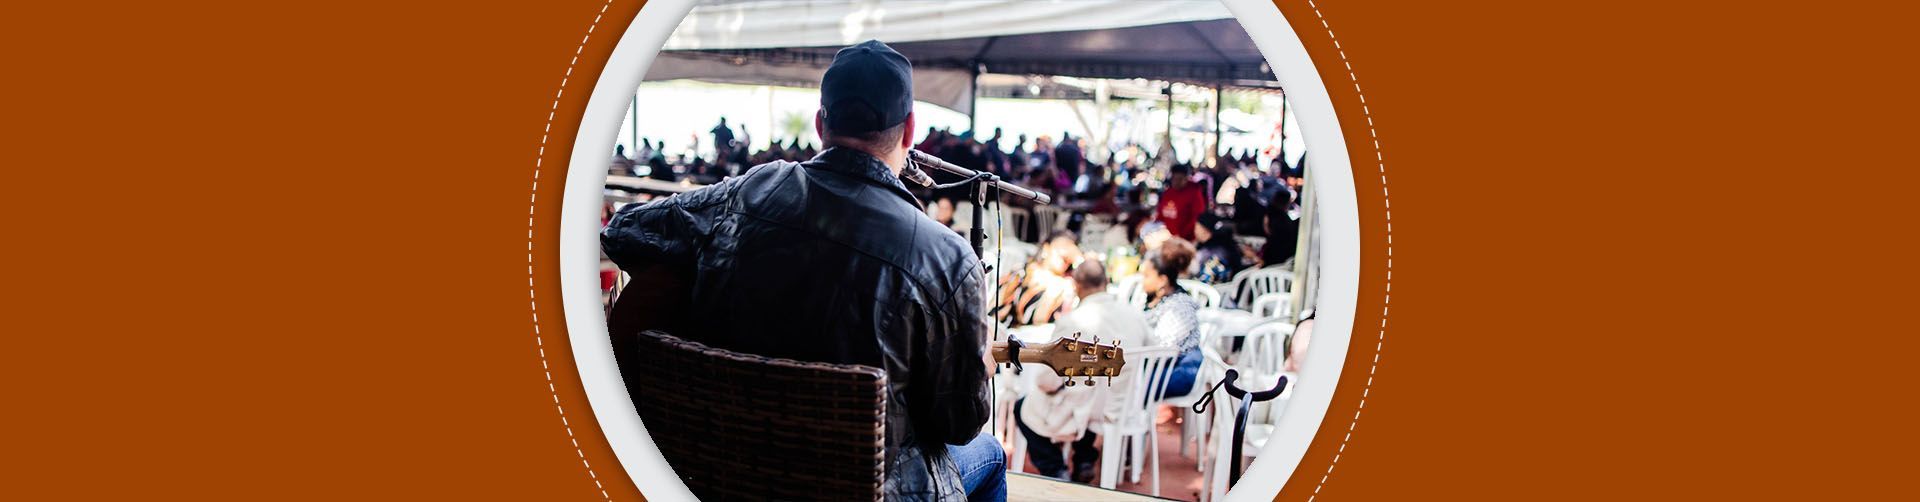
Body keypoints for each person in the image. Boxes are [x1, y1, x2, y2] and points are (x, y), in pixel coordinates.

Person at [602, 40, 1001, 502]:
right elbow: (960, 423)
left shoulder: (747, 191)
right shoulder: (948, 258)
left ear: (819, 123)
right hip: (872, 491)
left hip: (724, 471)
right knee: (989, 454)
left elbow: (625, 230)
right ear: (911, 129)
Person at [1012, 260, 1149, 483]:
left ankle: (1055, 468)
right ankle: (1085, 458)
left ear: (1076, 286)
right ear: (1106, 282)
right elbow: (1151, 349)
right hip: (1122, 403)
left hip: (1084, 408)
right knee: (1087, 396)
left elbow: (1048, 381)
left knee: (1023, 407)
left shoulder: (1072, 321)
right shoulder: (1134, 315)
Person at [1140, 238, 1204, 398]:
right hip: (1156, 364)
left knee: (1117, 384)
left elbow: (1162, 349)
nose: (1142, 283)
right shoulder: (1155, 299)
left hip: (1177, 371)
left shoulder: (1179, 308)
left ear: (1162, 280)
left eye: (1146, 276)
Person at [1154, 163, 1208, 241]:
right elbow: (1160, 214)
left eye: (1180, 179)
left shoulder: (1194, 192)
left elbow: (1197, 217)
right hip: (1168, 238)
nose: (1176, 182)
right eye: (1174, 179)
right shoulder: (1168, 193)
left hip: (1186, 240)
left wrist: (1182, 235)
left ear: (1186, 178)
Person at [1192, 212, 1249, 283]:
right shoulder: (1227, 244)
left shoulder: (1207, 252)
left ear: (1205, 231)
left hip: (1210, 289)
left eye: (1196, 228)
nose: (1194, 231)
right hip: (1227, 288)